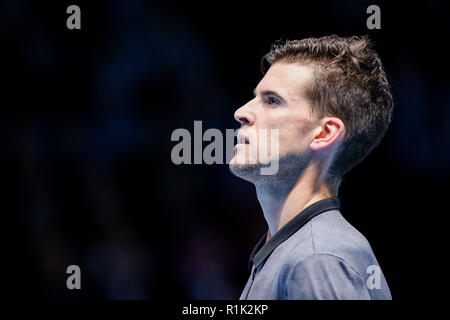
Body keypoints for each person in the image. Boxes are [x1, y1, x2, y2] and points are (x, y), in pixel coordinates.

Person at [229, 35, 393, 300]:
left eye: (272, 101)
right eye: (255, 97)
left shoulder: (317, 260)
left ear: (324, 133)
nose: (241, 112)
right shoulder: (297, 250)